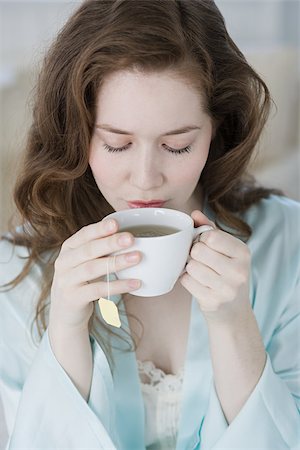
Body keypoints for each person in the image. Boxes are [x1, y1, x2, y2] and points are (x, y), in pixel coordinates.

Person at [0, 0, 299, 449]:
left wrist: (234, 324)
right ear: (78, 134)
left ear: (216, 130)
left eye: (177, 146)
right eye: (116, 144)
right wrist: (64, 330)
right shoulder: (18, 271)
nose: (145, 179)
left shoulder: (287, 242)